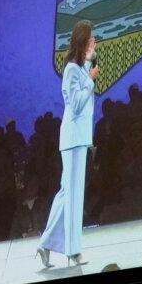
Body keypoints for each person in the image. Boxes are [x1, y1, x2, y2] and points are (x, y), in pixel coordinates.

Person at [37, 19, 98, 268]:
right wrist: (91, 79)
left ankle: (45, 245)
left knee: (65, 193)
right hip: (72, 139)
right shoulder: (73, 69)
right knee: (73, 195)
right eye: (92, 38)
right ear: (83, 41)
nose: (95, 42)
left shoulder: (82, 67)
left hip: (78, 138)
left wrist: (89, 70)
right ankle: (73, 251)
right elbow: (76, 104)